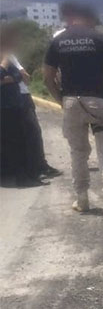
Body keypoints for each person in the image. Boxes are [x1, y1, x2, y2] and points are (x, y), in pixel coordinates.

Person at [42, 2, 103, 216]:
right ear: (90, 18)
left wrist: (61, 101)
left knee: (78, 152)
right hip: (100, 102)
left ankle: (82, 200)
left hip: (72, 102)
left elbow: (47, 78)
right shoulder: (101, 39)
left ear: (71, 18)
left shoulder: (58, 41)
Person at [1, 24, 48, 187]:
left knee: (21, 139)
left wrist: (9, 77)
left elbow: (20, 76)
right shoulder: (5, 57)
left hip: (14, 103)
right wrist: (4, 66)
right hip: (6, 106)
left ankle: (27, 173)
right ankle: (23, 177)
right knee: (15, 141)